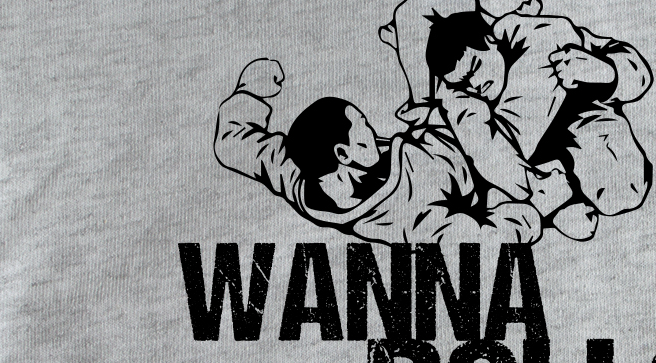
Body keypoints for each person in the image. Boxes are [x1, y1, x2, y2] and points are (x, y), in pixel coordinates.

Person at [378, 0, 653, 240]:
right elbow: (485, 148)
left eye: (475, 69)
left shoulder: (541, 33)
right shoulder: (460, 97)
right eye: (464, 83)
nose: (475, 86)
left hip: (578, 114)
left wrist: (605, 72)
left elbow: (629, 65)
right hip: (521, 160)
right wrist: (550, 199)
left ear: (491, 40)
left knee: (623, 191)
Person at [213, 57, 541, 244]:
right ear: (343, 154)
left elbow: (236, 142)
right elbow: (485, 243)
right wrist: (514, 206)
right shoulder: (409, 214)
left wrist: (250, 91)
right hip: (504, 149)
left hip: (450, 121)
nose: (372, 132)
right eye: (364, 127)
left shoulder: (303, 172)